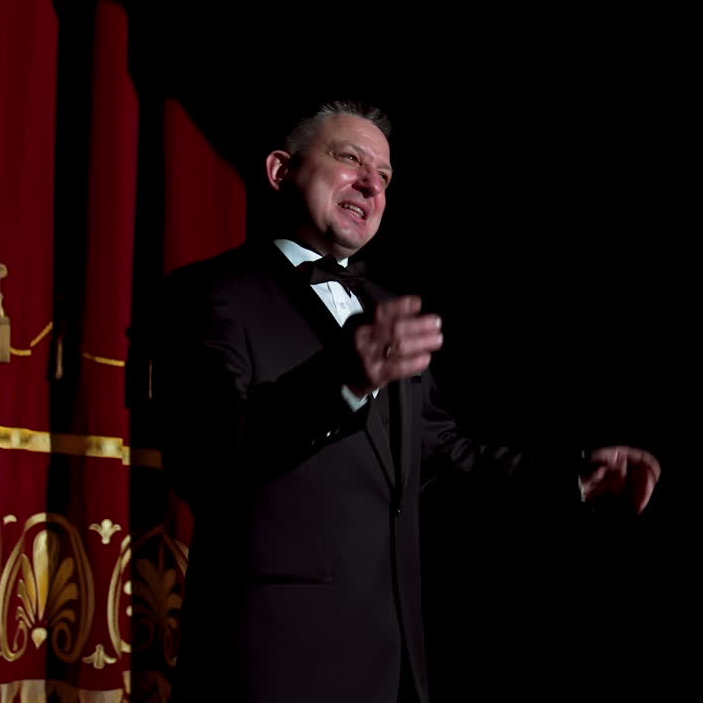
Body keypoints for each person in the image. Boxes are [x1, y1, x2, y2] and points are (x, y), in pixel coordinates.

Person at [154, 100, 661, 703]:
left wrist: (574, 478)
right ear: (279, 171)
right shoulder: (211, 293)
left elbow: (440, 458)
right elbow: (206, 456)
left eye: (385, 177)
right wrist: (345, 378)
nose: (371, 183)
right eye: (349, 159)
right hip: (270, 662)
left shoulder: (386, 308)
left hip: (392, 664)